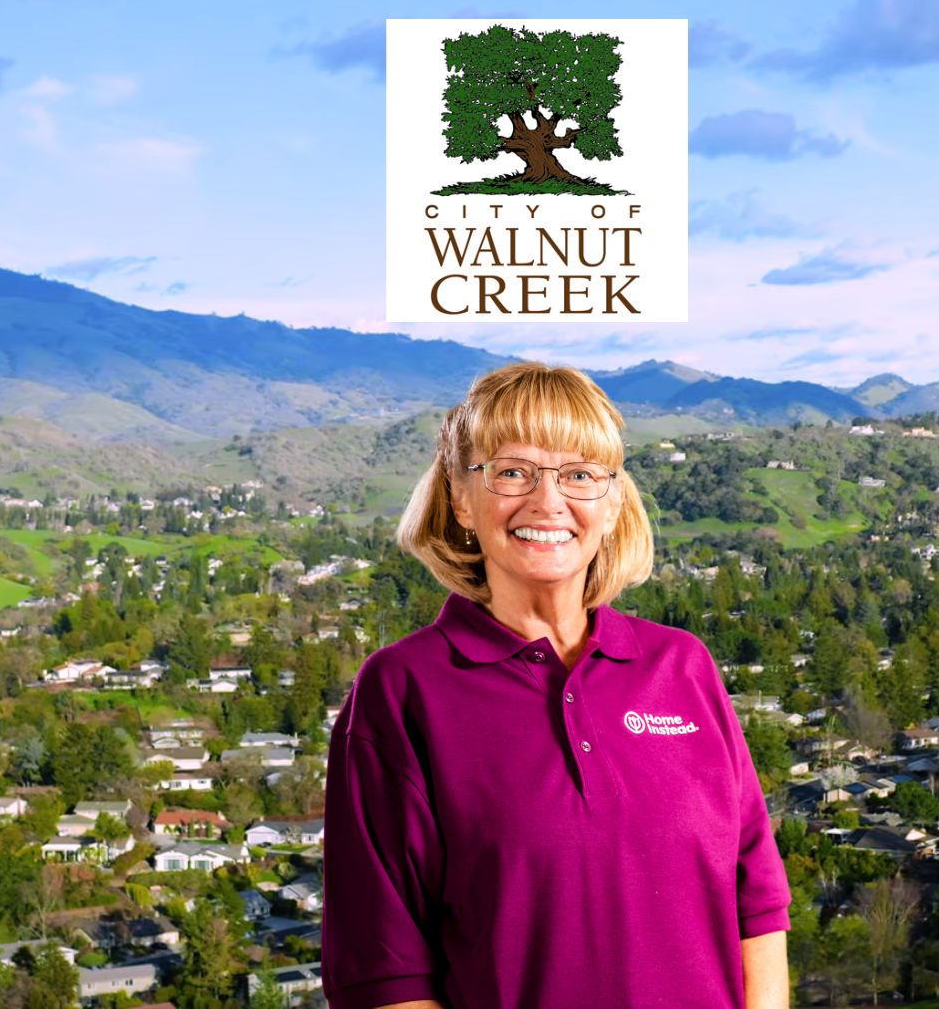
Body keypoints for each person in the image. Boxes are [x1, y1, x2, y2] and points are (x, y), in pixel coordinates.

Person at [321, 362, 791, 1009]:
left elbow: (758, 907)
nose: (548, 503)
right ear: (461, 496)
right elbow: (382, 971)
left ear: (613, 500)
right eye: (512, 471)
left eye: (579, 475)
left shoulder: (682, 667)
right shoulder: (403, 691)